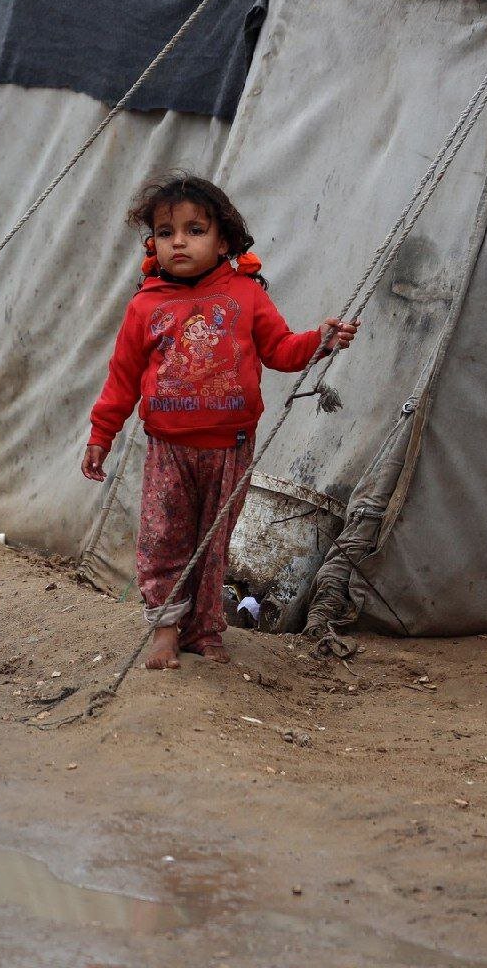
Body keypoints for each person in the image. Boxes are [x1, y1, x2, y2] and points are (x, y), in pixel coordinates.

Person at [81, 173, 357, 671]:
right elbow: (121, 380)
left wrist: (321, 338)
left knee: (212, 544)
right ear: (153, 244)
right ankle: (165, 629)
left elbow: (280, 350)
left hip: (231, 447)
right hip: (169, 448)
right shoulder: (146, 305)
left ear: (222, 239)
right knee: (165, 538)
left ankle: (206, 631)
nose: (179, 241)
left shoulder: (246, 295)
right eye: (166, 233)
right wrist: (102, 435)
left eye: (194, 229)